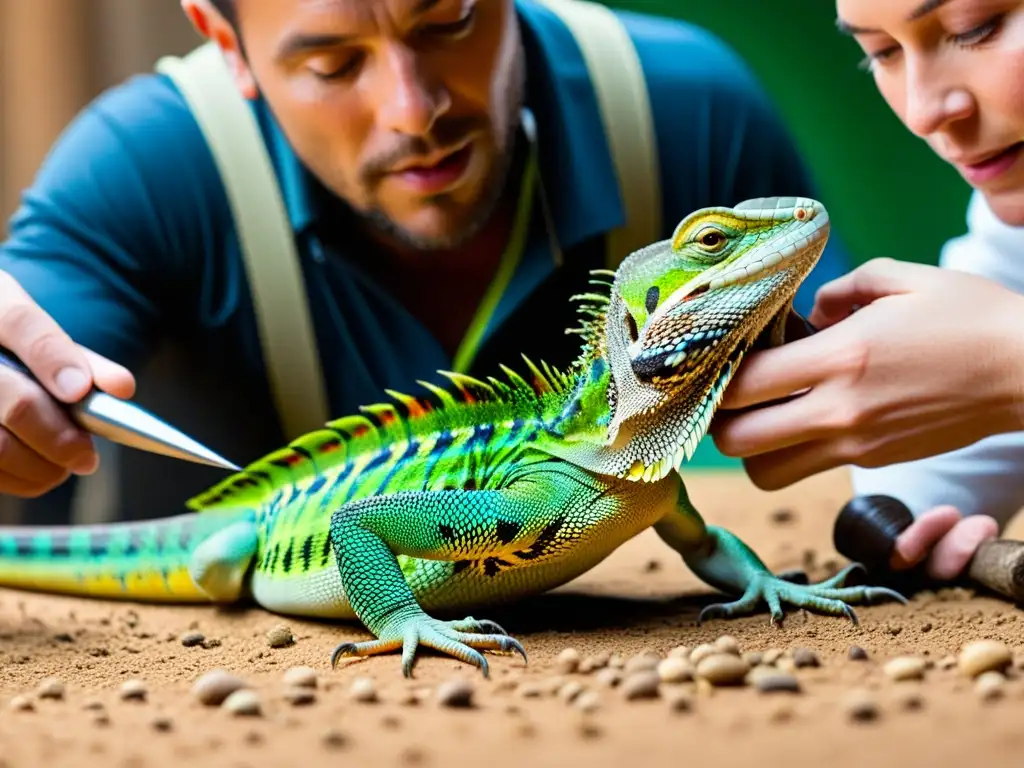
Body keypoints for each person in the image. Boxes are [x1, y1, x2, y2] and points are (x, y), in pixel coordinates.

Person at [0, 0, 851, 523]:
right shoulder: (141, 167)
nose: (413, 110)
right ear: (225, 41)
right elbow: (25, 373)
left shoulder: (689, 105)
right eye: (332, 63)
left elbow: (858, 388)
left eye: (449, 20)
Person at [712, 0, 1024, 582]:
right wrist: (901, 512)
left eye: (974, 28)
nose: (924, 112)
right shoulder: (1011, 235)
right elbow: (942, 471)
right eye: (880, 52)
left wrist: (1009, 361)